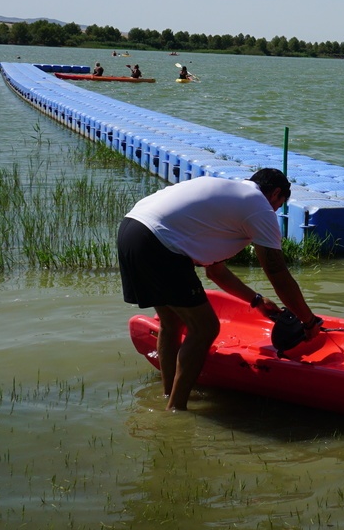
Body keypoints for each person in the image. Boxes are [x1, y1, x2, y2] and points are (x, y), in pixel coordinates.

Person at [117, 167, 321, 411]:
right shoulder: (259, 206)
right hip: (160, 243)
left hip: (131, 231)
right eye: (279, 205)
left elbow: (216, 272)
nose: (275, 212)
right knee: (205, 328)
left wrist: (256, 301)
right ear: (276, 193)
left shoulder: (230, 197)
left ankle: (168, 395)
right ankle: (176, 410)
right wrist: (308, 321)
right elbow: (278, 274)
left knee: (171, 323)